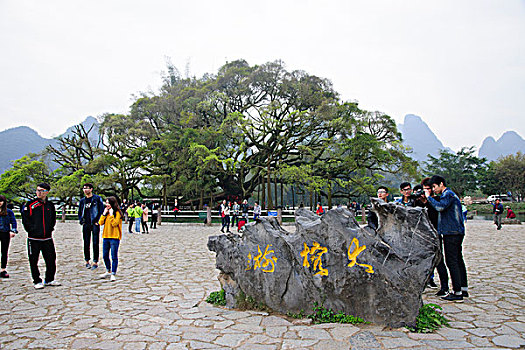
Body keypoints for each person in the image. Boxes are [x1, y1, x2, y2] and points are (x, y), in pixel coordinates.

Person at [425, 175, 468, 302]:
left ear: (441, 184)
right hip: (456, 231)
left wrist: (428, 197)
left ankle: (457, 292)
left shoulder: (447, 194)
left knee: (452, 261)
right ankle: (463, 288)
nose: (433, 189)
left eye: (434, 187)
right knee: (458, 260)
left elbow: (440, 207)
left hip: (451, 232)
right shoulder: (451, 194)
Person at [21, 183, 61, 289]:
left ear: (46, 192)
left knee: (51, 259)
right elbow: (25, 219)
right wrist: (31, 230)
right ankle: (37, 280)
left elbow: (53, 218)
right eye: (37, 190)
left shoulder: (50, 205)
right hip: (34, 238)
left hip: (47, 237)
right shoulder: (30, 204)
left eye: (41, 190)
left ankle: (49, 279)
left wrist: (50, 229)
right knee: (34, 260)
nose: (38, 192)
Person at [415, 180, 449, 294]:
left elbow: (437, 213)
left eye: (428, 188)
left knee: (439, 260)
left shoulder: (436, 201)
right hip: (422, 234)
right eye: (424, 189)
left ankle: (445, 286)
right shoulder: (418, 202)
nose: (426, 191)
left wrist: (428, 200)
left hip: (435, 233)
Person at [78, 183, 105, 270]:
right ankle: (87, 260)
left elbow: (101, 210)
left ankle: (95, 261)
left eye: (87, 188)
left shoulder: (96, 199)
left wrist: (98, 221)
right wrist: (81, 220)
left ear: (91, 189)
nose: (85, 190)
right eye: (84, 188)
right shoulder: (82, 200)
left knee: (95, 242)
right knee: (86, 242)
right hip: (86, 223)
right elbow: (80, 212)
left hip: (94, 223)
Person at [99, 196, 123, 282]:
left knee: (114, 256)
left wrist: (112, 215)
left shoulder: (118, 213)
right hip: (106, 236)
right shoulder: (106, 212)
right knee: (105, 255)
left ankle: (113, 272)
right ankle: (108, 270)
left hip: (114, 237)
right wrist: (104, 214)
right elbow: (100, 222)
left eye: (108, 203)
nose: (107, 204)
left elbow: (115, 224)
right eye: (106, 203)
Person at [0, 195, 17, 278]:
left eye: (1, 201)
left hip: (5, 232)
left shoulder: (8, 211)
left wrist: (13, 231)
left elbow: (13, 222)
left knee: (4, 251)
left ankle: (3, 269)